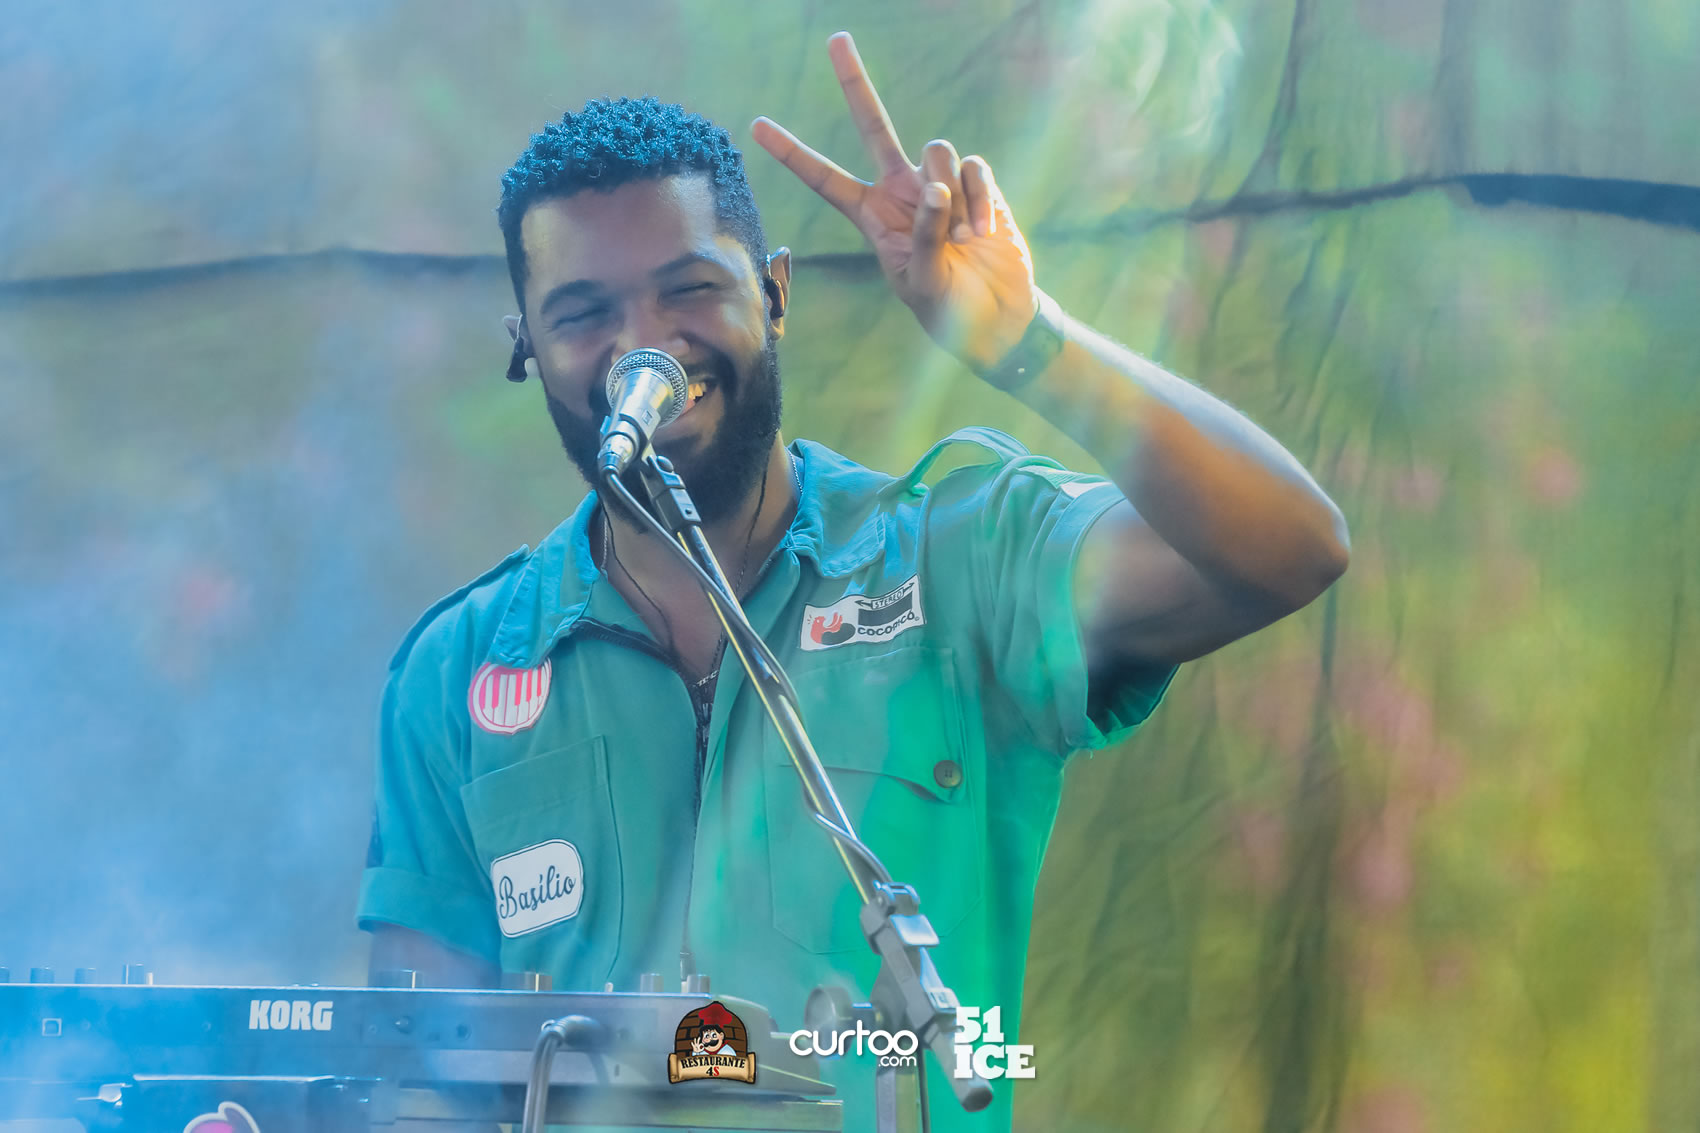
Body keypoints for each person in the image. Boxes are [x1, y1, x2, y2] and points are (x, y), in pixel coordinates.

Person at [356, 31, 1349, 1131]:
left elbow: (1291, 547)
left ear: (774, 294)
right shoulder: (458, 668)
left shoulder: (959, 559)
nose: (646, 348)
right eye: (584, 314)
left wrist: (1027, 340)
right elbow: (418, 1082)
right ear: (528, 349)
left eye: (691, 288)